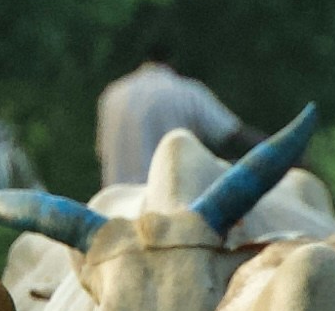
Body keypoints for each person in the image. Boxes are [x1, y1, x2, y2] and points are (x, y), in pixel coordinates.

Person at [94, 45, 244, 200]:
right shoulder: (186, 92)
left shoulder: (113, 94)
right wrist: (270, 147)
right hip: (168, 207)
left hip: (117, 206)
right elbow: (232, 134)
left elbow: (102, 152)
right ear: (174, 59)